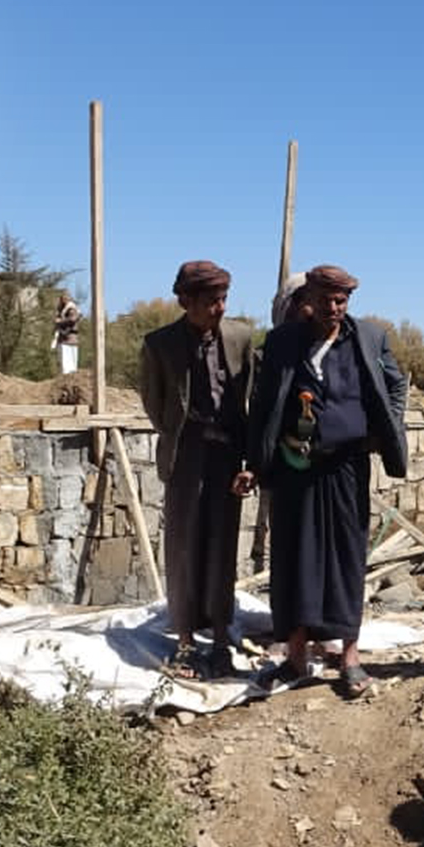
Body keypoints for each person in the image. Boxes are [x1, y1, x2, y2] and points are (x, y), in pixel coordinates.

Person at [248, 265, 408, 694]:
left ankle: (350, 655)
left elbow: (396, 386)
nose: (333, 309)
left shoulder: (368, 338)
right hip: (295, 466)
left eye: (341, 301)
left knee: (347, 558)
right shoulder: (284, 342)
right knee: (294, 558)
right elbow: (263, 403)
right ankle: (296, 657)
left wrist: (383, 431)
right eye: (325, 301)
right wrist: (256, 461)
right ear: (309, 300)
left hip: (346, 466)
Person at [139, 261, 258, 678]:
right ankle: (186, 639)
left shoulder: (240, 337)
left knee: (223, 546)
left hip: (227, 455)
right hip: (186, 455)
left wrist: (248, 461)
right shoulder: (160, 344)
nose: (219, 308)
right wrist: (180, 434)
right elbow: (154, 404)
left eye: (224, 299)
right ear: (185, 302)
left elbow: (250, 402)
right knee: (184, 546)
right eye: (210, 302)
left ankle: (222, 635)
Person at [52, 294, 82, 375]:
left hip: (69, 338)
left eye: (64, 298)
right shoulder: (62, 309)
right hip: (63, 338)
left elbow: (72, 319)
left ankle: (68, 376)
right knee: (62, 361)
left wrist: (60, 321)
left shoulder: (71, 308)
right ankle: (65, 376)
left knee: (68, 362)